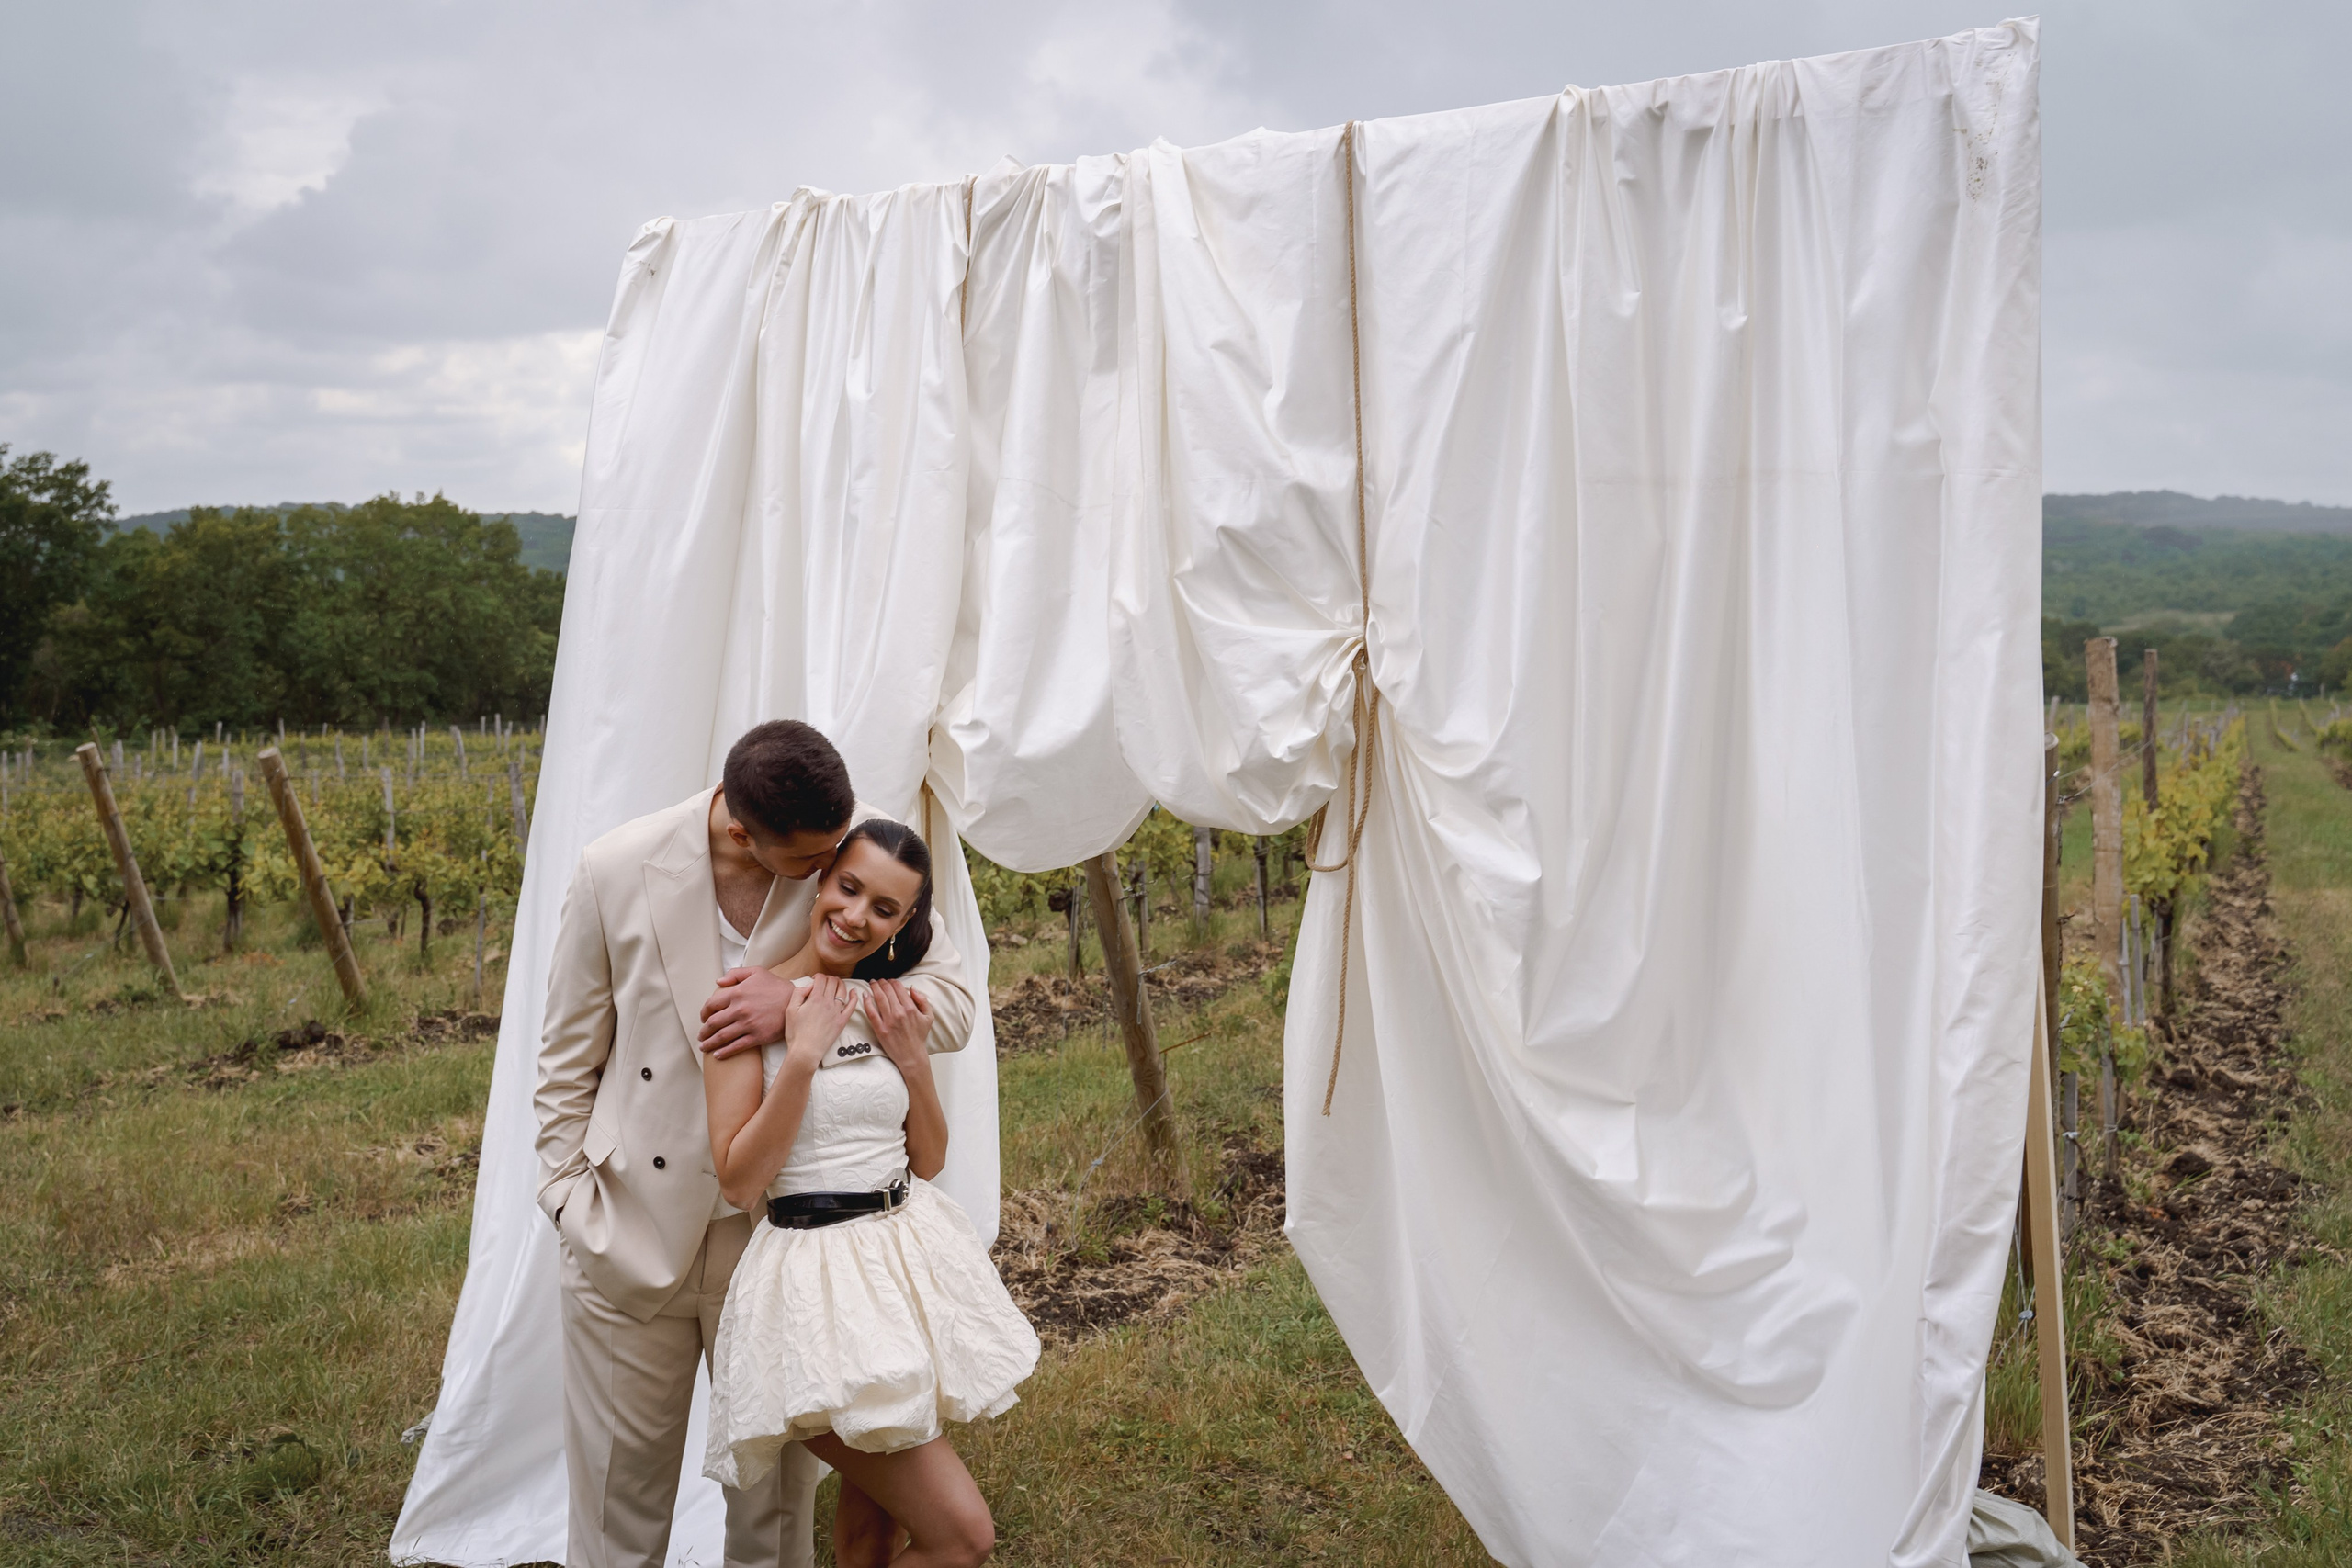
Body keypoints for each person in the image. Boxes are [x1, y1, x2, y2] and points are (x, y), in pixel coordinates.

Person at [534, 720, 975, 1568]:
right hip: (629, 1227)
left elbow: (951, 1003)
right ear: (743, 831)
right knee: (617, 1507)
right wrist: (566, 1198)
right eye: (812, 864)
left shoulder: (848, 847)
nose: (830, 878)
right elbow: (565, 1058)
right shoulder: (615, 868)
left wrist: (803, 997)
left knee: (772, 1514)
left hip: (780, 1243)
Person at [700, 818, 1038, 1568]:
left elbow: (930, 1156)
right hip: (816, 1285)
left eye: (884, 909)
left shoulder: (883, 1003)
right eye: (848, 888)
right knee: (963, 1536)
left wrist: (915, 1064)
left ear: (903, 925)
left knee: (875, 1531)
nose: (856, 915)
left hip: (900, 1266)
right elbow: (738, 1179)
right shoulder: (746, 1006)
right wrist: (802, 1055)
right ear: (820, 882)